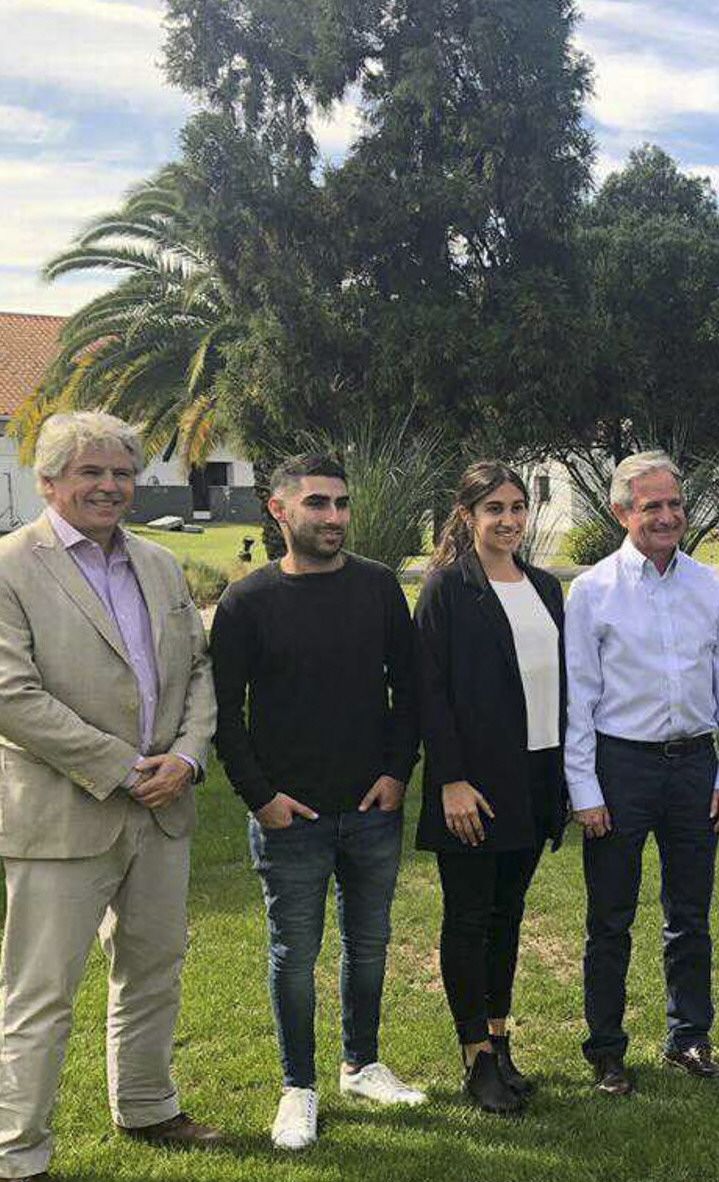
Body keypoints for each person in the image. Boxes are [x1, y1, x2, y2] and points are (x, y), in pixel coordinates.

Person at [0, 411, 224, 1180]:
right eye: (90, 472)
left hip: (163, 809)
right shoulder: (10, 567)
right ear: (48, 481)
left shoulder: (159, 564)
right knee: (40, 992)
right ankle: (18, 1153)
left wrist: (187, 758)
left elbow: (199, 670)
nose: (109, 486)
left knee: (155, 967)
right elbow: (12, 696)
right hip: (63, 813)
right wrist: (128, 768)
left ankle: (148, 1104)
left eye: (122, 473)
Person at [209, 453, 427, 1151]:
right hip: (289, 819)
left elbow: (410, 689)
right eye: (318, 504)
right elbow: (225, 715)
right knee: (294, 954)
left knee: (369, 946)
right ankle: (297, 1086)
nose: (334, 517)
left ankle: (361, 1065)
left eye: (342, 503)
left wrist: (396, 773)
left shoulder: (377, 586)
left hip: (372, 811)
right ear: (279, 510)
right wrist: (260, 798)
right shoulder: (246, 603)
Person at [565, 451, 719, 1091]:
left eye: (675, 504)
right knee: (610, 919)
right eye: (652, 506)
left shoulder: (710, 588)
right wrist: (584, 789)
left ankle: (689, 1038)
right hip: (620, 767)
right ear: (622, 512)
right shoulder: (593, 592)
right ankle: (607, 1050)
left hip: (695, 766)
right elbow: (579, 700)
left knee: (690, 915)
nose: (667, 516)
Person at [413, 462, 567, 1112]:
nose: (508, 520)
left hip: (534, 777)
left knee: (509, 916)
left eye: (517, 507)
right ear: (468, 515)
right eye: (494, 509)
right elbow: (428, 692)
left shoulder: (545, 586)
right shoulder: (448, 589)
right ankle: (474, 1056)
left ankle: (500, 1042)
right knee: (469, 917)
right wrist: (451, 780)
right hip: (473, 783)